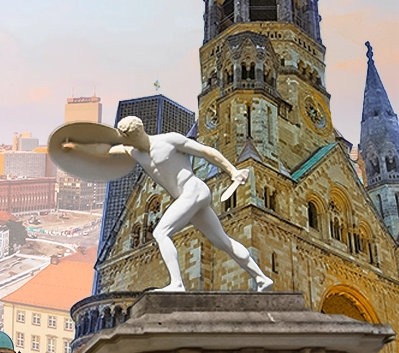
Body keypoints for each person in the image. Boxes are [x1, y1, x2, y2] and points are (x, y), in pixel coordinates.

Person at [62, 115, 272, 292]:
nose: (124, 141)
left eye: (126, 137)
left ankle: (177, 284)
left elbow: (206, 151)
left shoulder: (169, 140)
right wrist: (76, 147)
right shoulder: (133, 151)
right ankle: (262, 278)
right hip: (188, 199)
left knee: (160, 233)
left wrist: (232, 171)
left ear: (135, 134)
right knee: (223, 242)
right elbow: (104, 150)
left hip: (193, 190)